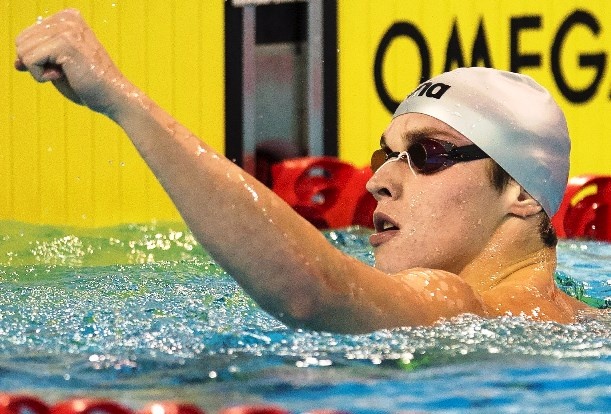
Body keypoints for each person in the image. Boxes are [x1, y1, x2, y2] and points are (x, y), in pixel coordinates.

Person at [15, 9, 590, 334]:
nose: (377, 181)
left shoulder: (454, 305)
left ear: (520, 190)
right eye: (383, 156)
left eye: (427, 155)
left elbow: (313, 292)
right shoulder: (593, 325)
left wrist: (121, 101)